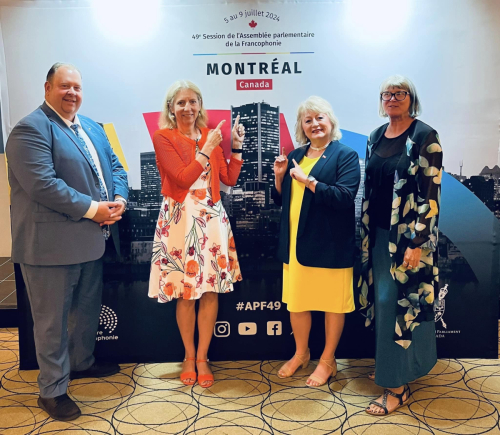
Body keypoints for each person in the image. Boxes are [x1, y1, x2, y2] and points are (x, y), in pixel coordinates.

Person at [6, 63, 129, 421]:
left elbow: (117, 169)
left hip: (92, 241)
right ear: (47, 88)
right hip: (49, 247)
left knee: (85, 312)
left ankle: (82, 363)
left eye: (76, 86)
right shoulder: (30, 129)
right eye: (64, 86)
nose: (71, 92)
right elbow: (43, 185)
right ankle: (52, 391)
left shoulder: (91, 127)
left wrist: (119, 200)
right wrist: (95, 210)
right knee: (52, 322)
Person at [148, 80, 244, 388]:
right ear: (171, 108)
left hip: (212, 217)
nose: (187, 107)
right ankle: (188, 356)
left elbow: (227, 177)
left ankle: (203, 357)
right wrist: (207, 148)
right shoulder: (163, 137)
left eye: (193, 101)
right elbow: (182, 177)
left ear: (200, 105)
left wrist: (237, 147)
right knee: (186, 291)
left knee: (211, 290)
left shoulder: (210, 136)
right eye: (181, 102)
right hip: (180, 217)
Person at [359, 75, 442, 415]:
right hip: (378, 238)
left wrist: (417, 242)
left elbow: (431, 195)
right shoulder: (375, 136)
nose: (392, 98)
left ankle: (395, 387)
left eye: (400, 93)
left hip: (407, 243)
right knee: (386, 306)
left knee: (399, 308)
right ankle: (396, 366)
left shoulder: (425, 137)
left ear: (411, 98)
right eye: (387, 94)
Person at [272, 96, 360, 387]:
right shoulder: (296, 154)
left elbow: (344, 197)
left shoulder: (344, 155)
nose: (314, 124)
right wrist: (280, 178)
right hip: (296, 246)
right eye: (307, 120)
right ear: (301, 127)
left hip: (331, 244)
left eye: (319, 118)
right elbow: (282, 200)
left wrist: (307, 181)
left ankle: (327, 360)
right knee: (297, 303)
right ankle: (301, 353)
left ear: (331, 121)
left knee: (333, 304)